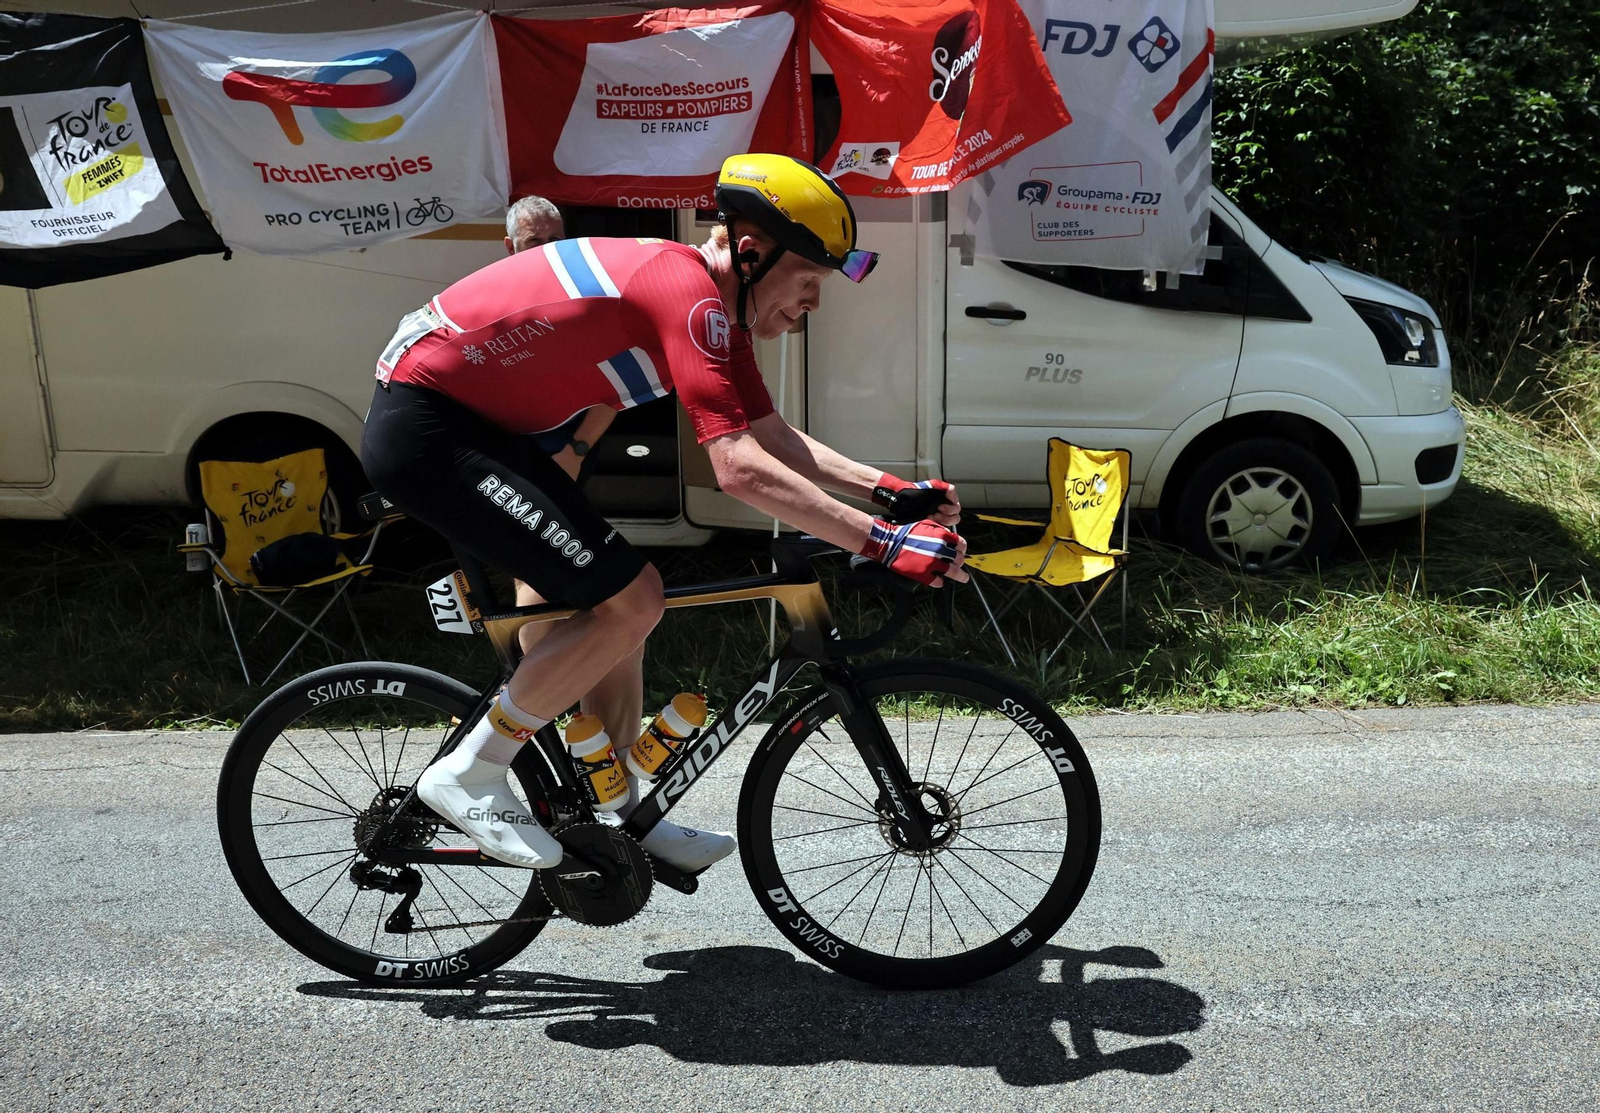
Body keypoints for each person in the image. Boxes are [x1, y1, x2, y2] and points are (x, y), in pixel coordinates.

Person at [361, 154, 966, 873]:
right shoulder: (685, 292)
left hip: (477, 428)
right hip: (429, 428)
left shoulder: (714, 310)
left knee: (620, 607)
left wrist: (888, 492)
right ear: (751, 254)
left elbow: (768, 435)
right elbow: (736, 468)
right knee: (632, 598)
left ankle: (622, 808)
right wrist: (883, 541)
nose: (814, 303)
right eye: (807, 282)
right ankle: (469, 772)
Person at [501, 197, 639, 748]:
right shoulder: (491, 301)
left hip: (565, 468)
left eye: (558, 239)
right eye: (537, 243)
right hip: (509, 481)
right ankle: (533, 746)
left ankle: (616, 769)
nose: (550, 251)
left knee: (623, 610)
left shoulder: (581, 295)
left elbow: (619, 382)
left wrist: (578, 449)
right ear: (510, 248)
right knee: (543, 600)